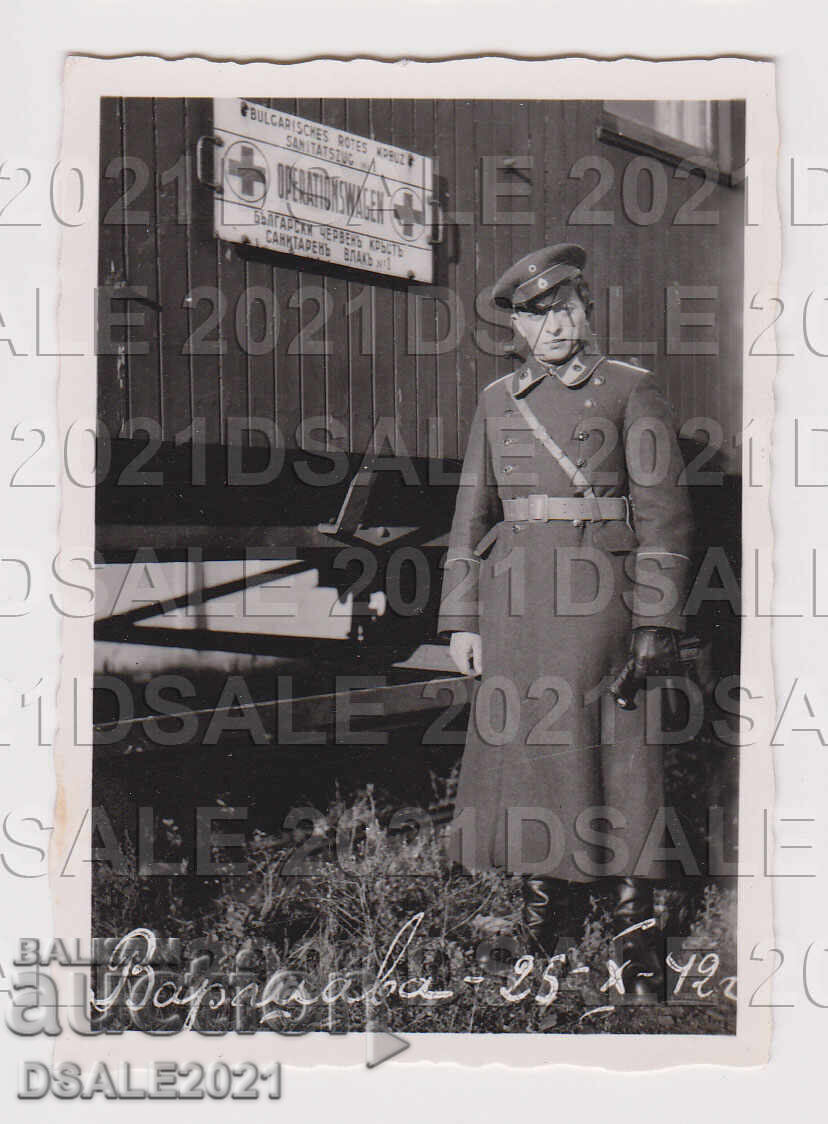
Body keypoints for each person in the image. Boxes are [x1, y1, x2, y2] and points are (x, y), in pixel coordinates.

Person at [437, 243, 694, 1000]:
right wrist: (462, 617)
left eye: (567, 309)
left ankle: (635, 927)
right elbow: (469, 513)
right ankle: (545, 913)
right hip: (514, 597)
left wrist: (657, 618)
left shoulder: (630, 390)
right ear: (515, 326)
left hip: (598, 594)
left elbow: (665, 515)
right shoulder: (496, 399)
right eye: (537, 315)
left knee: (615, 750)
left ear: (586, 311)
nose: (555, 326)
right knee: (528, 749)